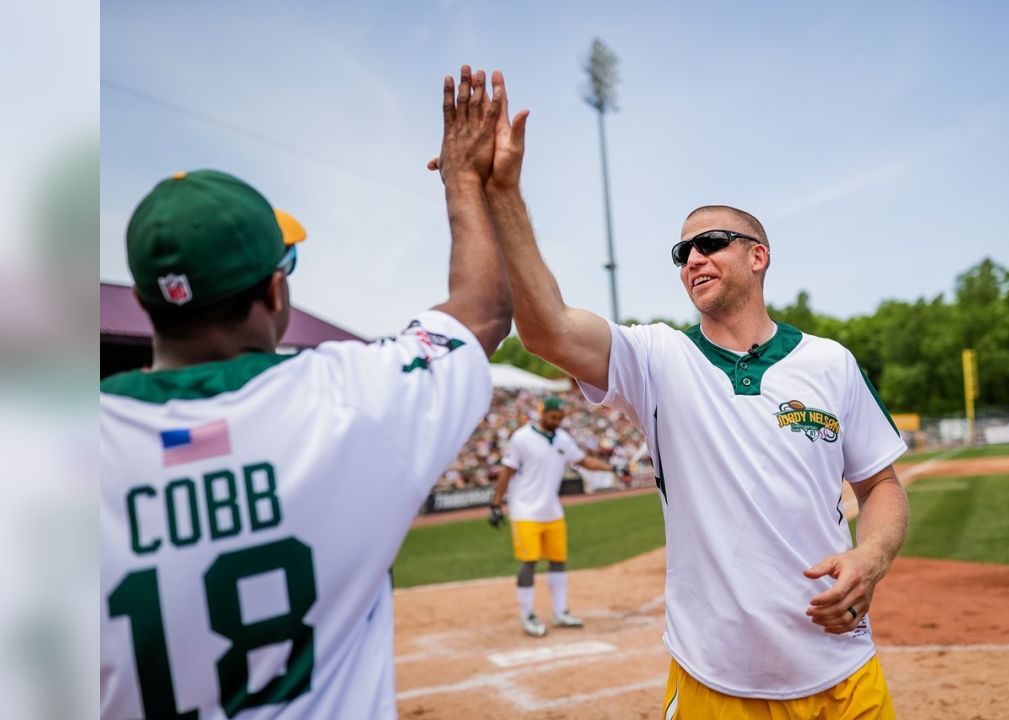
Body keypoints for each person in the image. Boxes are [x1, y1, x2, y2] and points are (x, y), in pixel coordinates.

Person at [455, 71, 910, 718]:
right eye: (682, 250)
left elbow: (881, 485)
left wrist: (872, 556)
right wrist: (504, 195)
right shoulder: (659, 357)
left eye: (710, 243)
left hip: (844, 674)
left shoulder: (830, 363)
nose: (692, 257)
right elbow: (547, 328)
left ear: (759, 257)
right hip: (716, 684)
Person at [100, 66, 511, 718]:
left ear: (148, 304)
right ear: (273, 291)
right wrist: (465, 180)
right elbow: (483, 313)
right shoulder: (347, 396)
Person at [488, 396, 625, 636]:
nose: (556, 421)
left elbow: (584, 461)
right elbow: (506, 472)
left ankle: (560, 611)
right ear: (542, 413)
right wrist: (496, 505)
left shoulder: (563, 439)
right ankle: (527, 613)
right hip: (525, 510)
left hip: (552, 510)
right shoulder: (521, 437)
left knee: (558, 561)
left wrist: (612, 467)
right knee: (529, 562)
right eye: (553, 417)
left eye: (560, 418)